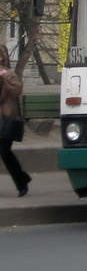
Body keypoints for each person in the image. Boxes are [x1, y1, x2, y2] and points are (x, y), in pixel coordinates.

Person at [0, 46, 30, 197]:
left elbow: (17, 91)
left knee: (4, 152)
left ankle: (21, 181)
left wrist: (4, 76)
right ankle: (22, 179)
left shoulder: (9, 74)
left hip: (5, 120)